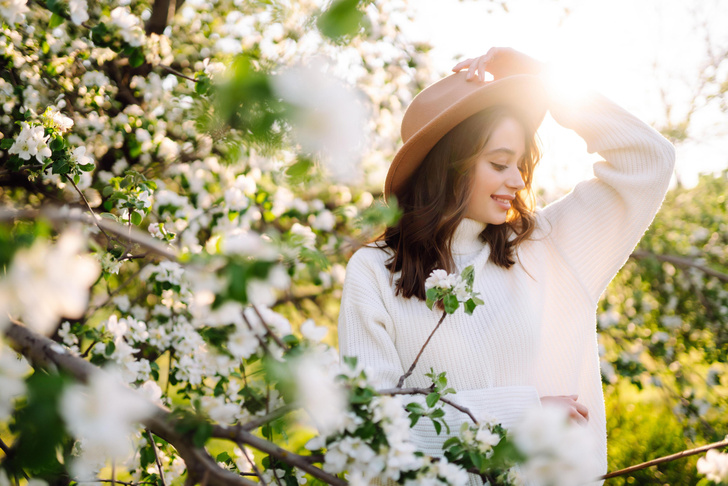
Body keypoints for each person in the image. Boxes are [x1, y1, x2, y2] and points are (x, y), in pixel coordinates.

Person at [338, 47, 675, 483]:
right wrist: (523, 413)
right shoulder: (375, 273)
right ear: (446, 166)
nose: (517, 181)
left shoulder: (548, 248)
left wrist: (544, 78)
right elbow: (372, 425)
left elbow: (650, 159)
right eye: (499, 163)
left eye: (521, 164)